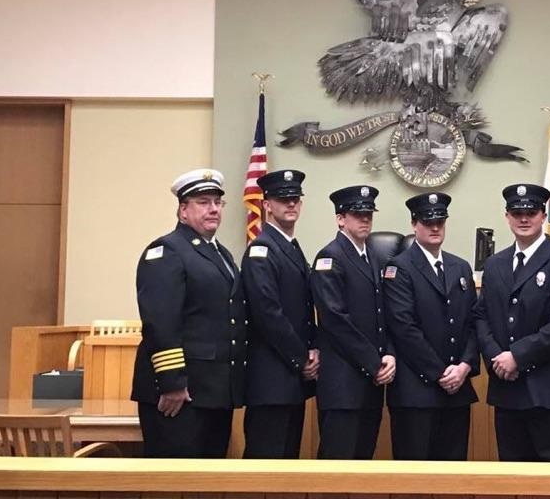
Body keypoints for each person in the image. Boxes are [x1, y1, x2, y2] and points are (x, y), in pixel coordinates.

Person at [131, 168, 245, 458]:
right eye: (203, 202)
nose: (213, 209)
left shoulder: (221, 254)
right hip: (180, 394)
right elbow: (160, 322)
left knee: (207, 481)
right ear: (183, 210)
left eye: (218, 203)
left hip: (213, 392)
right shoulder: (166, 251)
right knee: (174, 481)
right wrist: (172, 383)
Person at [475, 183, 550, 462]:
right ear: (507, 216)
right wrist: (496, 359)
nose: (524, 219)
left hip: (549, 393)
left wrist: (517, 356)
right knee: (513, 481)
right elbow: (481, 315)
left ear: (543, 216)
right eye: (516, 212)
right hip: (508, 389)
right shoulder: (495, 264)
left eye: (531, 212)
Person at [382, 192, 478, 460]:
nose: (435, 227)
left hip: (457, 389)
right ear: (414, 224)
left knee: (453, 474)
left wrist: (464, 366)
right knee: (414, 477)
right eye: (427, 222)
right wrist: (440, 373)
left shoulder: (460, 267)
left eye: (440, 221)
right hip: (417, 391)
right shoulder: (399, 268)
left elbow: (473, 322)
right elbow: (404, 328)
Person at [310, 185, 395, 459]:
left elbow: (383, 317)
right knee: (337, 466)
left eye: (369, 214)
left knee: (363, 469)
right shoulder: (329, 257)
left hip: (369, 383)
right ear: (340, 219)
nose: (365, 219)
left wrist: (388, 354)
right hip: (343, 384)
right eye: (358, 214)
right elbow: (336, 320)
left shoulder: (374, 257)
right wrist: (374, 361)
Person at [241, 169, 318, 458]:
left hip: (291, 378)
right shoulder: (261, 249)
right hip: (271, 379)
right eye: (282, 199)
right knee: (265, 464)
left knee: (287, 467)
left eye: (295, 199)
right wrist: (302, 358)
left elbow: (303, 310)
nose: (291, 204)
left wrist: (313, 350)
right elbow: (267, 314)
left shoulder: (291, 248)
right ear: (266, 205)